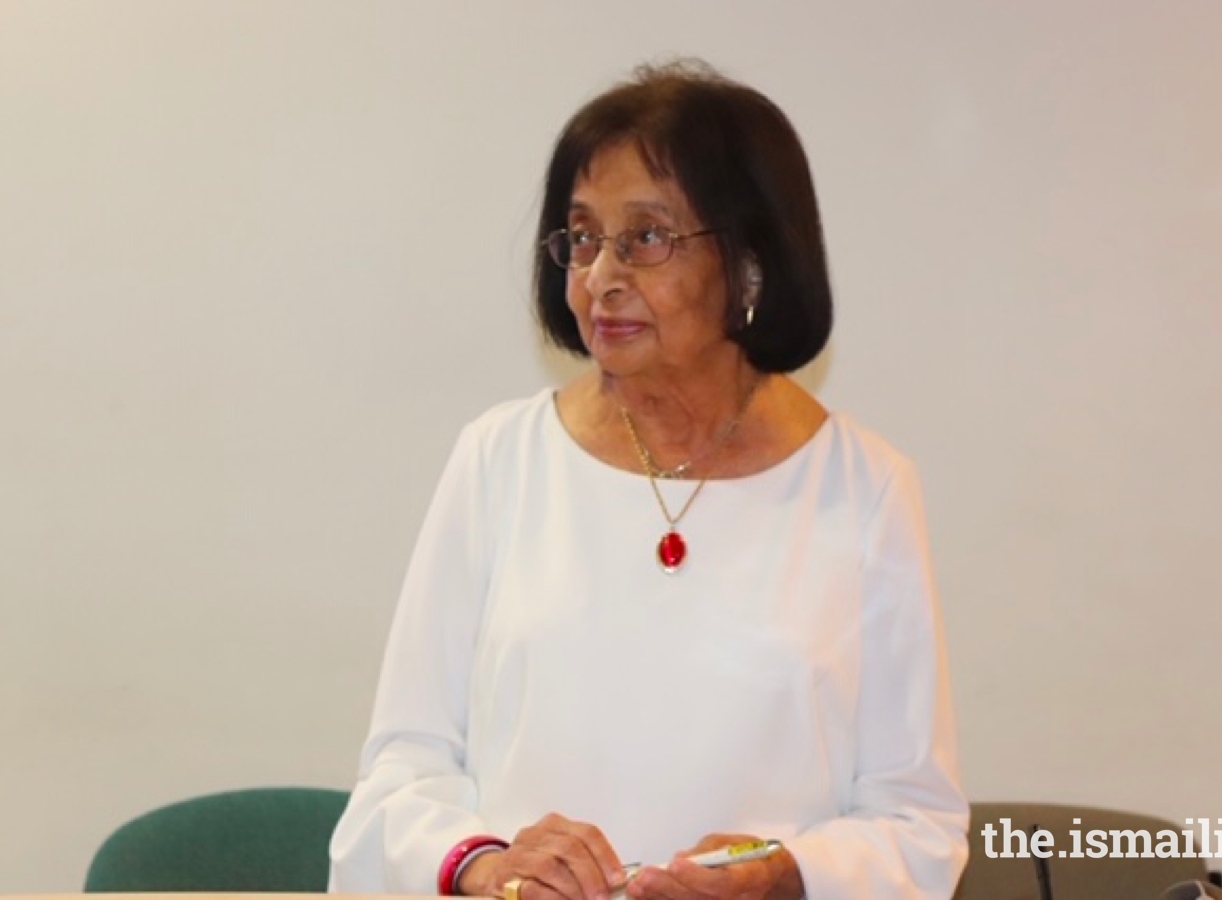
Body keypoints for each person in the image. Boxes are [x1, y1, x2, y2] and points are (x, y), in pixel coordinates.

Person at [329, 60, 968, 900]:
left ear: (749, 263)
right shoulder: (499, 460)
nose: (600, 276)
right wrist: (487, 864)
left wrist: (786, 875)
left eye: (648, 238)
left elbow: (915, 820)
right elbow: (401, 774)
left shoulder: (864, 487)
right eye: (583, 237)